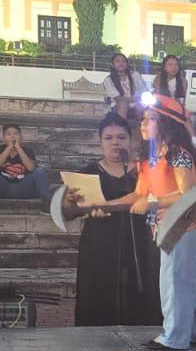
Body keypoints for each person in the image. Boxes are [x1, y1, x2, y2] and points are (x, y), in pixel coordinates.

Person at [89, 97, 196, 351]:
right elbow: (138, 195)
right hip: (165, 227)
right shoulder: (148, 159)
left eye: (150, 118)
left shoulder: (178, 155)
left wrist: (153, 202)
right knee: (186, 280)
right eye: (143, 118)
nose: (143, 123)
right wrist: (106, 204)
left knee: (174, 280)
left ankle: (175, 337)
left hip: (183, 227)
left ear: (166, 123)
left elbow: (188, 193)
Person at [63, 113, 162, 327]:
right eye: (108, 138)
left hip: (140, 244)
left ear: (132, 140)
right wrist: (70, 203)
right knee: (99, 297)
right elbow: (70, 213)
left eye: (121, 137)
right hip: (99, 246)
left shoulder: (143, 171)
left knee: (142, 296)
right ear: (100, 142)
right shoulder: (88, 173)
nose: (115, 143)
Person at [0, 123, 51, 206]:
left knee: (40, 171)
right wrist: (9, 148)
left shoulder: (27, 151)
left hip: (23, 187)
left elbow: (30, 168)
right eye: (8, 134)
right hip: (3, 188)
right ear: (4, 139)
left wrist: (18, 148)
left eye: (16, 134)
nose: (12, 136)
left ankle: (47, 203)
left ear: (21, 138)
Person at [102, 52, 145, 123]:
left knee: (139, 105)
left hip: (136, 104)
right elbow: (118, 99)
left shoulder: (135, 75)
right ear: (112, 64)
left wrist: (138, 99)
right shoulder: (109, 80)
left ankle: (141, 129)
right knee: (123, 104)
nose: (121, 63)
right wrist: (133, 99)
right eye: (118, 61)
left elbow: (143, 92)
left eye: (123, 61)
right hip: (118, 106)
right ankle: (122, 129)